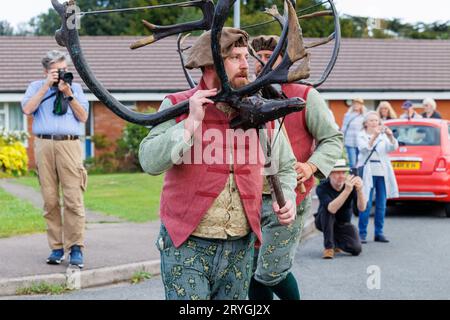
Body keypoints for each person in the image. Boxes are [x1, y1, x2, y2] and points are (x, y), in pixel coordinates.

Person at [139, 28, 298, 300]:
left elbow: (284, 167)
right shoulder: (178, 104)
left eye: (245, 56)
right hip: (186, 246)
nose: (246, 64)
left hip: (240, 247)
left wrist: (290, 198)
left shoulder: (261, 110)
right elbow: (149, 160)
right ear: (211, 63)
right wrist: (189, 125)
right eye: (235, 57)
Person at [248, 35, 343, 300]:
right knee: (250, 269)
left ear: (283, 60)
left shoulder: (306, 95)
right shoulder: (244, 95)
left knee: (270, 271)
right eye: (256, 57)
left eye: (268, 57)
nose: (260, 63)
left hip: (291, 195)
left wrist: (312, 166)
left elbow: (333, 139)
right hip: (249, 197)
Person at [21, 50, 89, 268]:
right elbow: (27, 109)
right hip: (44, 144)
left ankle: (76, 247)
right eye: (56, 71)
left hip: (69, 144)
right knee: (50, 200)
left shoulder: (75, 88)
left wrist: (67, 93)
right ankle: (56, 247)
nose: (61, 74)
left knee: (73, 199)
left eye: (64, 70)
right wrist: (45, 87)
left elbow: (83, 116)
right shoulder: (35, 87)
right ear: (46, 71)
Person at [356, 111, 399, 243]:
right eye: (372, 120)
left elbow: (392, 148)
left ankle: (379, 233)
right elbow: (364, 149)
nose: (375, 123)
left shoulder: (383, 136)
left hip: (382, 172)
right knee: (366, 203)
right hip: (368, 172)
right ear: (366, 123)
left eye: (376, 120)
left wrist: (390, 136)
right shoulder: (361, 135)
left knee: (381, 204)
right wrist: (374, 137)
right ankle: (362, 233)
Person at [315, 159, 365, 259]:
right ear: (329, 174)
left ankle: (336, 243)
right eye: (337, 173)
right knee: (328, 209)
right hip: (323, 221)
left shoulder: (351, 186)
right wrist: (347, 191)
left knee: (356, 249)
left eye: (343, 172)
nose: (341, 176)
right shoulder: (322, 187)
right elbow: (331, 209)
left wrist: (359, 190)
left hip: (343, 223)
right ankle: (329, 248)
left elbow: (361, 208)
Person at [342, 98, 367, 168]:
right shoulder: (347, 115)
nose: (356, 105)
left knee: (360, 162)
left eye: (358, 104)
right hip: (349, 142)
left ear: (361, 105)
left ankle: (360, 178)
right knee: (352, 163)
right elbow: (343, 128)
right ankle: (353, 177)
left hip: (360, 142)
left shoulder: (364, 116)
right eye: (355, 103)